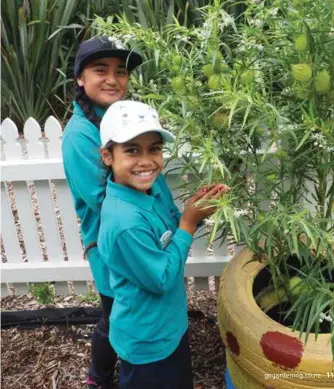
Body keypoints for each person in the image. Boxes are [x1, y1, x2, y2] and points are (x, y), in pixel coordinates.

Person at [98, 100, 229, 389]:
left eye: (154, 149)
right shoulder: (124, 223)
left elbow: (172, 226)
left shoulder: (152, 187)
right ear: (108, 156)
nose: (146, 161)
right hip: (147, 341)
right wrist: (189, 224)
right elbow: (161, 278)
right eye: (132, 150)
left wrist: (196, 210)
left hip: (168, 327)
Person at [62, 36, 143, 389]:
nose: (113, 79)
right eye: (100, 70)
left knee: (130, 308)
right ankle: (99, 377)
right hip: (108, 242)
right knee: (114, 314)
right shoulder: (80, 134)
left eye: (120, 71)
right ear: (80, 78)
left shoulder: (119, 120)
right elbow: (101, 199)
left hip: (131, 233)